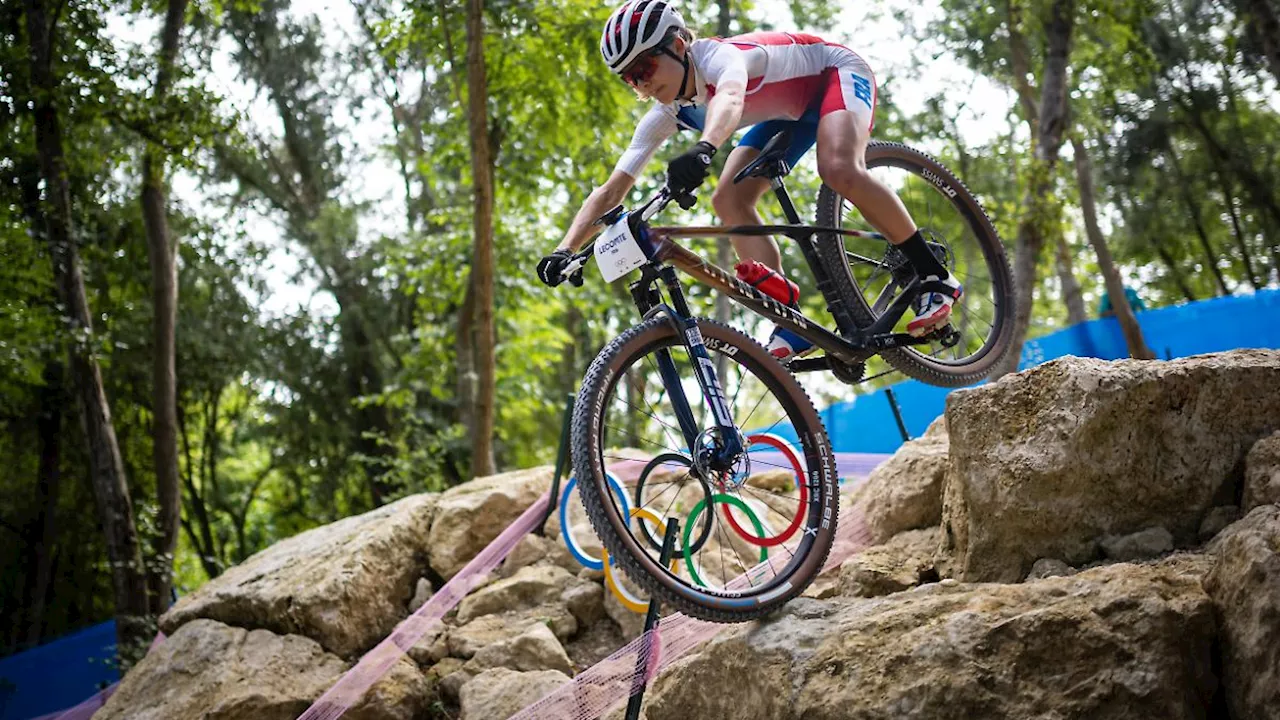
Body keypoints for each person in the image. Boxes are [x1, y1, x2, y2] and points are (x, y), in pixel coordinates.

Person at [536, 0, 962, 361]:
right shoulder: (668, 112)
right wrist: (566, 249)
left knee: (838, 168)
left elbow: (733, 99)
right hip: (787, 113)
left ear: (679, 44)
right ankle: (789, 318)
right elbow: (612, 188)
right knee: (728, 201)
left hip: (835, 73)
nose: (642, 83)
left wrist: (705, 148)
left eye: (645, 66)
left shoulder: (722, 58)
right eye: (630, 77)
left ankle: (933, 274)